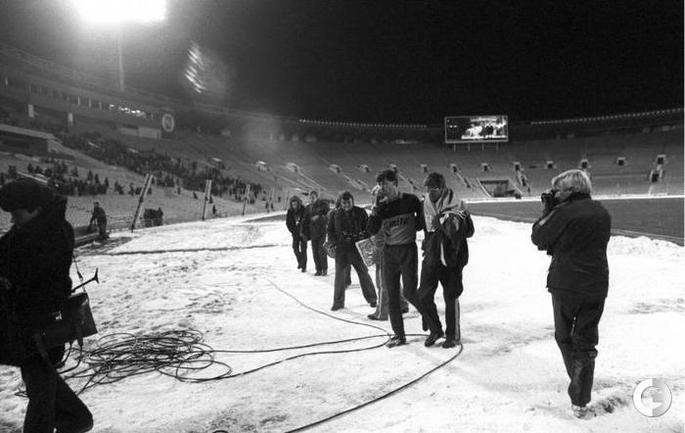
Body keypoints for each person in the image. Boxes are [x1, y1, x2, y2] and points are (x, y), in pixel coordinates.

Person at [0, 178, 93, 433]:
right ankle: (77, 420)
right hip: (24, 329)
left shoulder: (53, 233)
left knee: (40, 397)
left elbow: (33, 275)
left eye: (17, 214)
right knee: (42, 385)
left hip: (41, 328)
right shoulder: (30, 229)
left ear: (36, 208)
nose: (13, 220)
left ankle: (77, 420)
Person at [531, 169, 611, 419]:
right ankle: (581, 396)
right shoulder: (601, 211)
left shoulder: (562, 212)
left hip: (566, 284)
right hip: (596, 284)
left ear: (571, 190)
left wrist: (548, 210)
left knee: (564, 336)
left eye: (557, 190)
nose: (554, 194)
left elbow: (538, 238)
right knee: (586, 340)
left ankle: (578, 384)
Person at [367, 169, 424, 347]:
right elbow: (371, 229)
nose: (381, 187)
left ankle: (429, 317)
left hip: (407, 250)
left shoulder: (411, 200)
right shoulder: (381, 207)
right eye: (380, 184)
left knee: (409, 292)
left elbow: (422, 224)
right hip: (389, 253)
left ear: (394, 183)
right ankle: (399, 334)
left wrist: (412, 226)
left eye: (384, 183)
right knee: (391, 294)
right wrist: (376, 210)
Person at [417, 172, 474, 348]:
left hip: (452, 257)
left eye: (433, 189)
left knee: (451, 296)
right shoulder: (424, 203)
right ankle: (436, 329)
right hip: (432, 256)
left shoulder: (458, 205)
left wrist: (448, 221)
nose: (430, 192)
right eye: (428, 188)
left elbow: (470, 231)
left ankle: (453, 335)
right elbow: (422, 226)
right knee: (423, 295)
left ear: (442, 188)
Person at [326, 191, 377, 311]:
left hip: (356, 248)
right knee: (339, 277)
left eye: (348, 202)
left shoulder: (360, 212)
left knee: (363, 273)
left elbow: (368, 228)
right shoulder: (334, 214)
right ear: (341, 203)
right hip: (341, 249)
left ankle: (372, 298)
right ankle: (338, 302)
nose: (346, 205)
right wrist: (333, 242)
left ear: (352, 201)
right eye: (344, 203)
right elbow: (330, 231)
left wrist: (362, 236)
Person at [366, 185, 409, 321]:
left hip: (386, 250)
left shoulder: (385, 211)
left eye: (379, 196)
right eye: (375, 196)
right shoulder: (379, 210)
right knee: (388, 281)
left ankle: (382, 312)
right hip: (382, 249)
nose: (376, 199)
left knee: (383, 283)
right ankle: (402, 304)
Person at [301, 191, 329, 276]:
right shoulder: (308, 207)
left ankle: (324, 268)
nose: (311, 199)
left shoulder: (322, 204)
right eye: (310, 197)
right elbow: (305, 220)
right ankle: (318, 269)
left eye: (313, 197)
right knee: (315, 251)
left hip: (322, 231)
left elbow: (327, 215)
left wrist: (319, 217)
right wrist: (303, 232)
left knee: (321, 250)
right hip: (312, 232)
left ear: (316, 197)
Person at [285, 196, 307, 271]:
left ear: (298, 203)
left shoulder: (303, 209)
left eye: (295, 204)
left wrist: (305, 231)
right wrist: (292, 231)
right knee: (295, 248)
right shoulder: (290, 211)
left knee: (303, 250)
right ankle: (300, 261)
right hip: (295, 233)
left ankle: (304, 267)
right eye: (293, 204)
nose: (294, 205)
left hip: (303, 233)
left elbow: (307, 221)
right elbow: (288, 223)